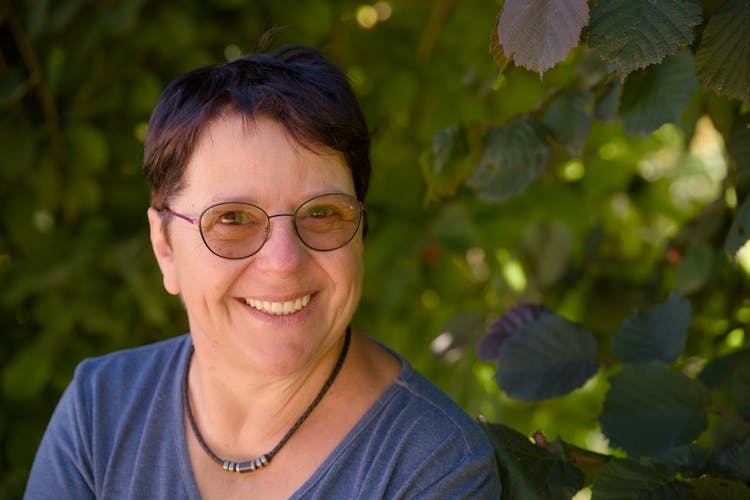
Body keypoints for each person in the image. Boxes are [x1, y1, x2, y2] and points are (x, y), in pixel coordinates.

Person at [24, 44, 501, 499]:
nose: (283, 262)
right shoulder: (101, 411)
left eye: (321, 214)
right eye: (232, 219)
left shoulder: (434, 465)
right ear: (165, 248)